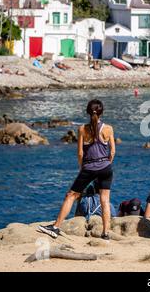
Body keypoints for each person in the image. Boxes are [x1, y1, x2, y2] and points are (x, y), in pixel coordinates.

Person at [38, 99, 116, 240]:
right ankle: (105, 233)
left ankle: (55, 227)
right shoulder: (109, 128)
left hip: (89, 167)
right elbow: (112, 152)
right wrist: (107, 164)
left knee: (71, 195)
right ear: (101, 112)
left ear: (87, 112)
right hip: (106, 167)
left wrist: (82, 168)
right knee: (105, 200)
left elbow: (80, 153)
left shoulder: (82, 129)